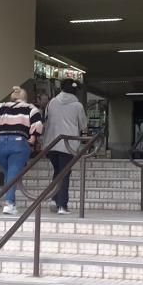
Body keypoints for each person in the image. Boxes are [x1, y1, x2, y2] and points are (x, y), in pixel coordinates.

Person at [0, 86, 44, 215]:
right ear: (24, 97)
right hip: (18, 143)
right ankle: (9, 203)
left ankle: (12, 203)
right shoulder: (30, 108)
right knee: (13, 173)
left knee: (9, 174)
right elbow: (37, 122)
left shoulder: (0, 106)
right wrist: (33, 136)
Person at [41, 78, 88, 214]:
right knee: (65, 173)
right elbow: (83, 125)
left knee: (58, 171)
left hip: (51, 143)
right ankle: (62, 205)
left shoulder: (52, 102)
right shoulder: (78, 106)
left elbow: (46, 119)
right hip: (68, 144)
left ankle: (54, 199)